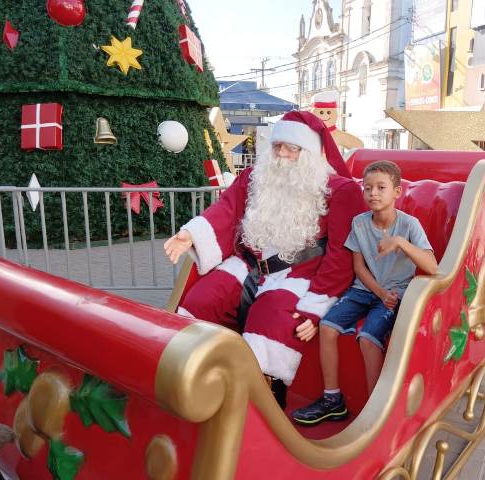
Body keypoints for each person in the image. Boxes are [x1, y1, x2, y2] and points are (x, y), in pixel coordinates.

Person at [164, 111, 367, 408]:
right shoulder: (255, 176)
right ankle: (189, 378)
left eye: (291, 148)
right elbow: (227, 209)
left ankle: (259, 401)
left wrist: (315, 308)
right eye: (277, 146)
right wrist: (191, 235)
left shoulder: (341, 191)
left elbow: (341, 255)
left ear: (310, 152)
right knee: (201, 301)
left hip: (298, 276)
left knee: (272, 319)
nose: (281, 154)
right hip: (245, 264)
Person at [292, 160, 437, 425]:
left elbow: (431, 266)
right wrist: (379, 292)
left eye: (381, 187)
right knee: (326, 326)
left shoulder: (409, 225)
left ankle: (374, 408)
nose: (373, 193)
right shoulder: (359, 223)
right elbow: (358, 267)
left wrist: (400, 243)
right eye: (368, 188)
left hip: (396, 293)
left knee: (368, 337)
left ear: (397, 191)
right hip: (367, 289)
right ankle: (332, 399)